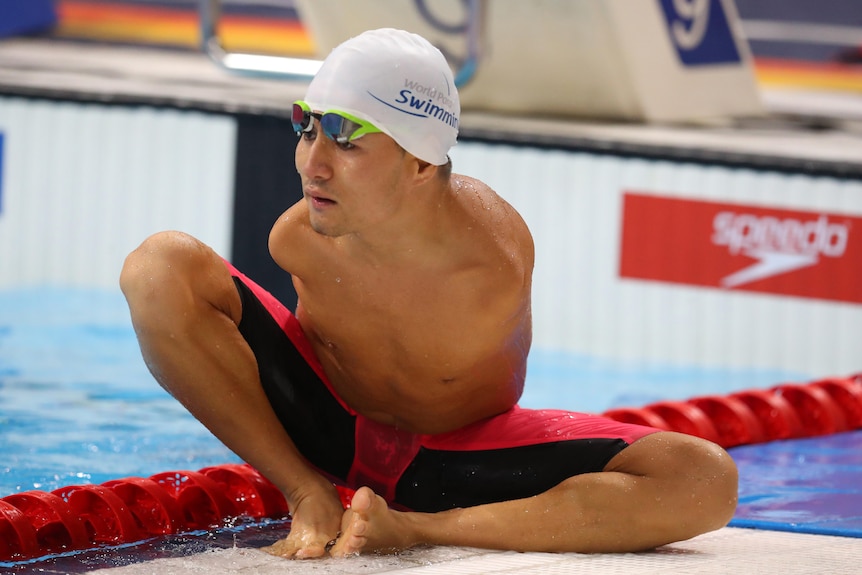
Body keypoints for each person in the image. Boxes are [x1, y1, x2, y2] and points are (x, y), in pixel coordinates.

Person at [120, 28, 737, 559]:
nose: (313, 163)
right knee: (158, 267)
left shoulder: (488, 262)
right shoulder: (301, 237)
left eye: (346, 138)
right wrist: (302, 482)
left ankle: (412, 529)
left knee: (704, 478)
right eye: (306, 128)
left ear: (420, 162)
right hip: (324, 429)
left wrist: (420, 527)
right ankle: (307, 491)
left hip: (459, 459)